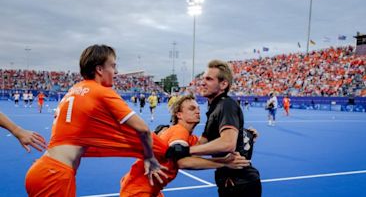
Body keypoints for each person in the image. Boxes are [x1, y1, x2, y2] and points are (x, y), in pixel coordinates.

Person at [25, 44, 167, 197]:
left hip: (43, 168)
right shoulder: (101, 92)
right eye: (113, 66)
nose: (116, 72)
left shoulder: (74, 89)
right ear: (99, 69)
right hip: (55, 175)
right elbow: (143, 129)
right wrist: (149, 157)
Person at [120, 95, 250, 197]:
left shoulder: (188, 137)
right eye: (192, 109)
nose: (198, 111)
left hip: (147, 189)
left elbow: (210, 143)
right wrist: (224, 163)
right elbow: (183, 162)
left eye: (198, 108)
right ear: (179, 115)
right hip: (138, 191)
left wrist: (246, 133)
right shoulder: (179, 131)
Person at [176, 60, 261, 197]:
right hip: (233, 182)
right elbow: (203, 144)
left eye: (209, 79)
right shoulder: (215, 108)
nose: (203, 82)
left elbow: (227, 143)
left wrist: (185, 150)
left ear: (223, 84)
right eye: (203, 78)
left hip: (240, 184)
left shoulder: (225, 105)